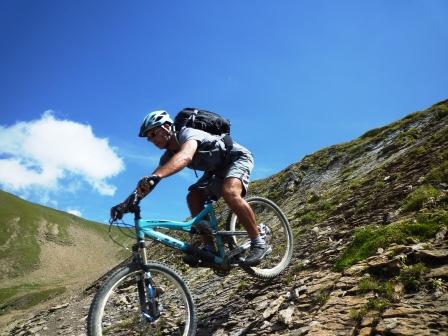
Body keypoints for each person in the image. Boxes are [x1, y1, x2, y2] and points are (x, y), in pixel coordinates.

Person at [110, 110, 270, 266]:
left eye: (153, 134)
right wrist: (126, 203)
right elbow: (149, 181)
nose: (152, 140)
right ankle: (210, 248)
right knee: (193, 196)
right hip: (215, 170)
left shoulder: (188, 133)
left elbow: (185, 156)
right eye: (148, 138)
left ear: (166, 127)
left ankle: (258, 241)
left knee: (230, 192)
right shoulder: (168, 155)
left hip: (236, 158)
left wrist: (157, 176)